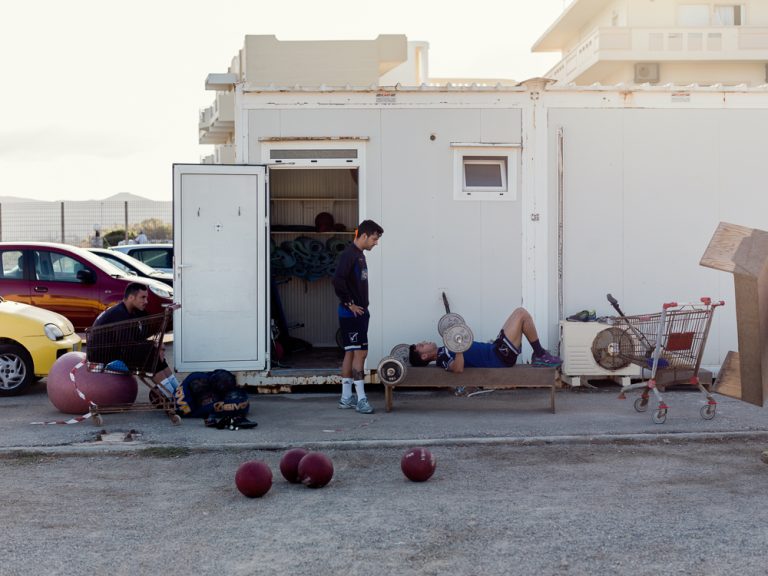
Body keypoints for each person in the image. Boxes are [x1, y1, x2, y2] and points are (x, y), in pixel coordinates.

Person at [332, 219, 384, 414]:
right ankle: (361, 398)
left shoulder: (359, 255)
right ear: (363, 235)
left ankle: (346, 398)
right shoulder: (349, 255)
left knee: (351, 352)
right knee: (360, 354)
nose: (376, 243)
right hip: (352, 314)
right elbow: (337, 280)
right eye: (374, 238)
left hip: (359, 313)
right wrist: (349, 303)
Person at [91, 282, 180, 396]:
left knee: (154, 353)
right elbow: (128, 344)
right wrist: (153, 346)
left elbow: (137, 338)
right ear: (131, 297)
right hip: (104, 357)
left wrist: (167, 315)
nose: (146, 301)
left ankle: (178, 391)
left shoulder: (132, 312)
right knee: (150, 354)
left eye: (146, 298)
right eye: (142, 297)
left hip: (116, 351)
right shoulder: (119, 314)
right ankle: (172, 396)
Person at [409, 307, 562, 372]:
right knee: (521, 314)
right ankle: (540, 355)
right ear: (425, 356)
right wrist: (458, 348)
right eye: (422, 345)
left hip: (494, 349)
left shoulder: (445, 347)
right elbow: (458, 369)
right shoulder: (443, 358)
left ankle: (540, 354)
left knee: (521, 313)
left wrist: (457, 339)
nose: (425, 341)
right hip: (500, 357)